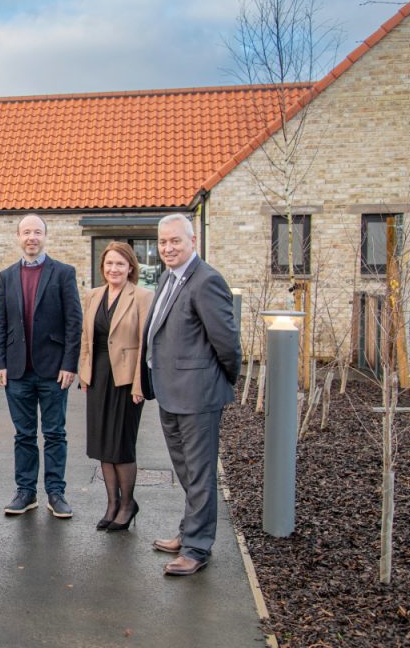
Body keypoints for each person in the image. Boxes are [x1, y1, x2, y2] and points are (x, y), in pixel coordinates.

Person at [140, 214, 241, 576]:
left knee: (199, 473)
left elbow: (227, 342)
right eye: (163, 242)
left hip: (198, 396)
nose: (167, 248)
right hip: (170, 393)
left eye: (175, 241)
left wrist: (224, 378)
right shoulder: (168, 276)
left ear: (193, 241)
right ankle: (188, 531)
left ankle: (197, 548)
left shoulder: (207, 281)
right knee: (185, 470)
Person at [0, 214, 83, 518]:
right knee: (24, 435)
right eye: (26, 232)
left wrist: (70, 363)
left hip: (54, 370)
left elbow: (74, 322)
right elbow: (1, 322)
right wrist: (0, 363)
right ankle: (25, 492)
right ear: (18, 237)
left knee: (55, 433)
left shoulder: (63, 273)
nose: (32, 237)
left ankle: (55, 493)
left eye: (37, 232)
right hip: (18, 371)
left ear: (45, 236)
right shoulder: (7, 276)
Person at [78, 242, 152, 531]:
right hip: (98, 377)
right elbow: (87, 338)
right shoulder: (94, 295)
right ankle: (111, 503)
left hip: (125, 380)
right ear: (102, 267)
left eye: (120, 264)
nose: (114, 269)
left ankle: (128, 503)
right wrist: (85, 373)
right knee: (102, 445)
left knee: (121, 445)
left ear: (130, 267)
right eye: (109, 264)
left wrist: (139, 384)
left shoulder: (143, 297)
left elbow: (146, 345)